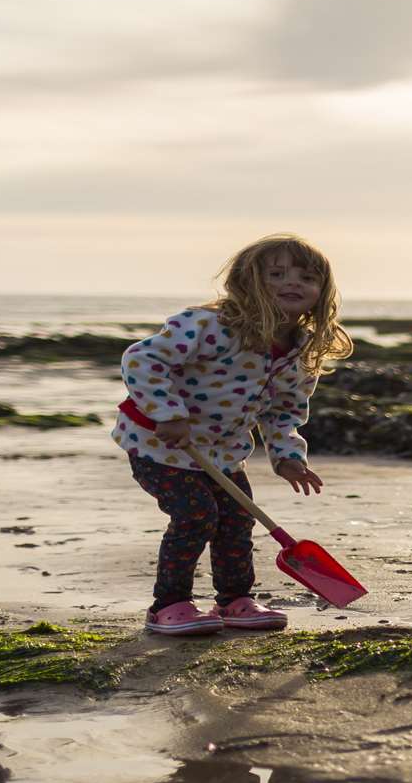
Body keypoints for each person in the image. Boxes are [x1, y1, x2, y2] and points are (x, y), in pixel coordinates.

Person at [112, 234, 353, 634]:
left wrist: (288, 455)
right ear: (247, 281)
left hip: (223, 453)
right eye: (277, 274)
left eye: (307, 278)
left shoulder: (299, 351)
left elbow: (284, 410)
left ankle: (235, 601)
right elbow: (142, 358)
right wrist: (169, 413)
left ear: (321, 292)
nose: (293, 283)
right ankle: (169, 605)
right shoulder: (209, 326)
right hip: (159, 445)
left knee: (237, 521)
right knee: (195, 515)